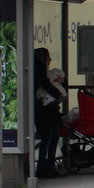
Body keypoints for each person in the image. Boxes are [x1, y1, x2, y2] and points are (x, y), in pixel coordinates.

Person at [32, 47, 63, 178]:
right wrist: (57, 93)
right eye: (48, 57)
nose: (49, 60)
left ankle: (48, 165)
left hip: (48, 110)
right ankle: (44, 166)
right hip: (44, 110)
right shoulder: (38, 70)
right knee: (48, 137)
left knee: (52, 136)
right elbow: (45, 84)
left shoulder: (40, 69)